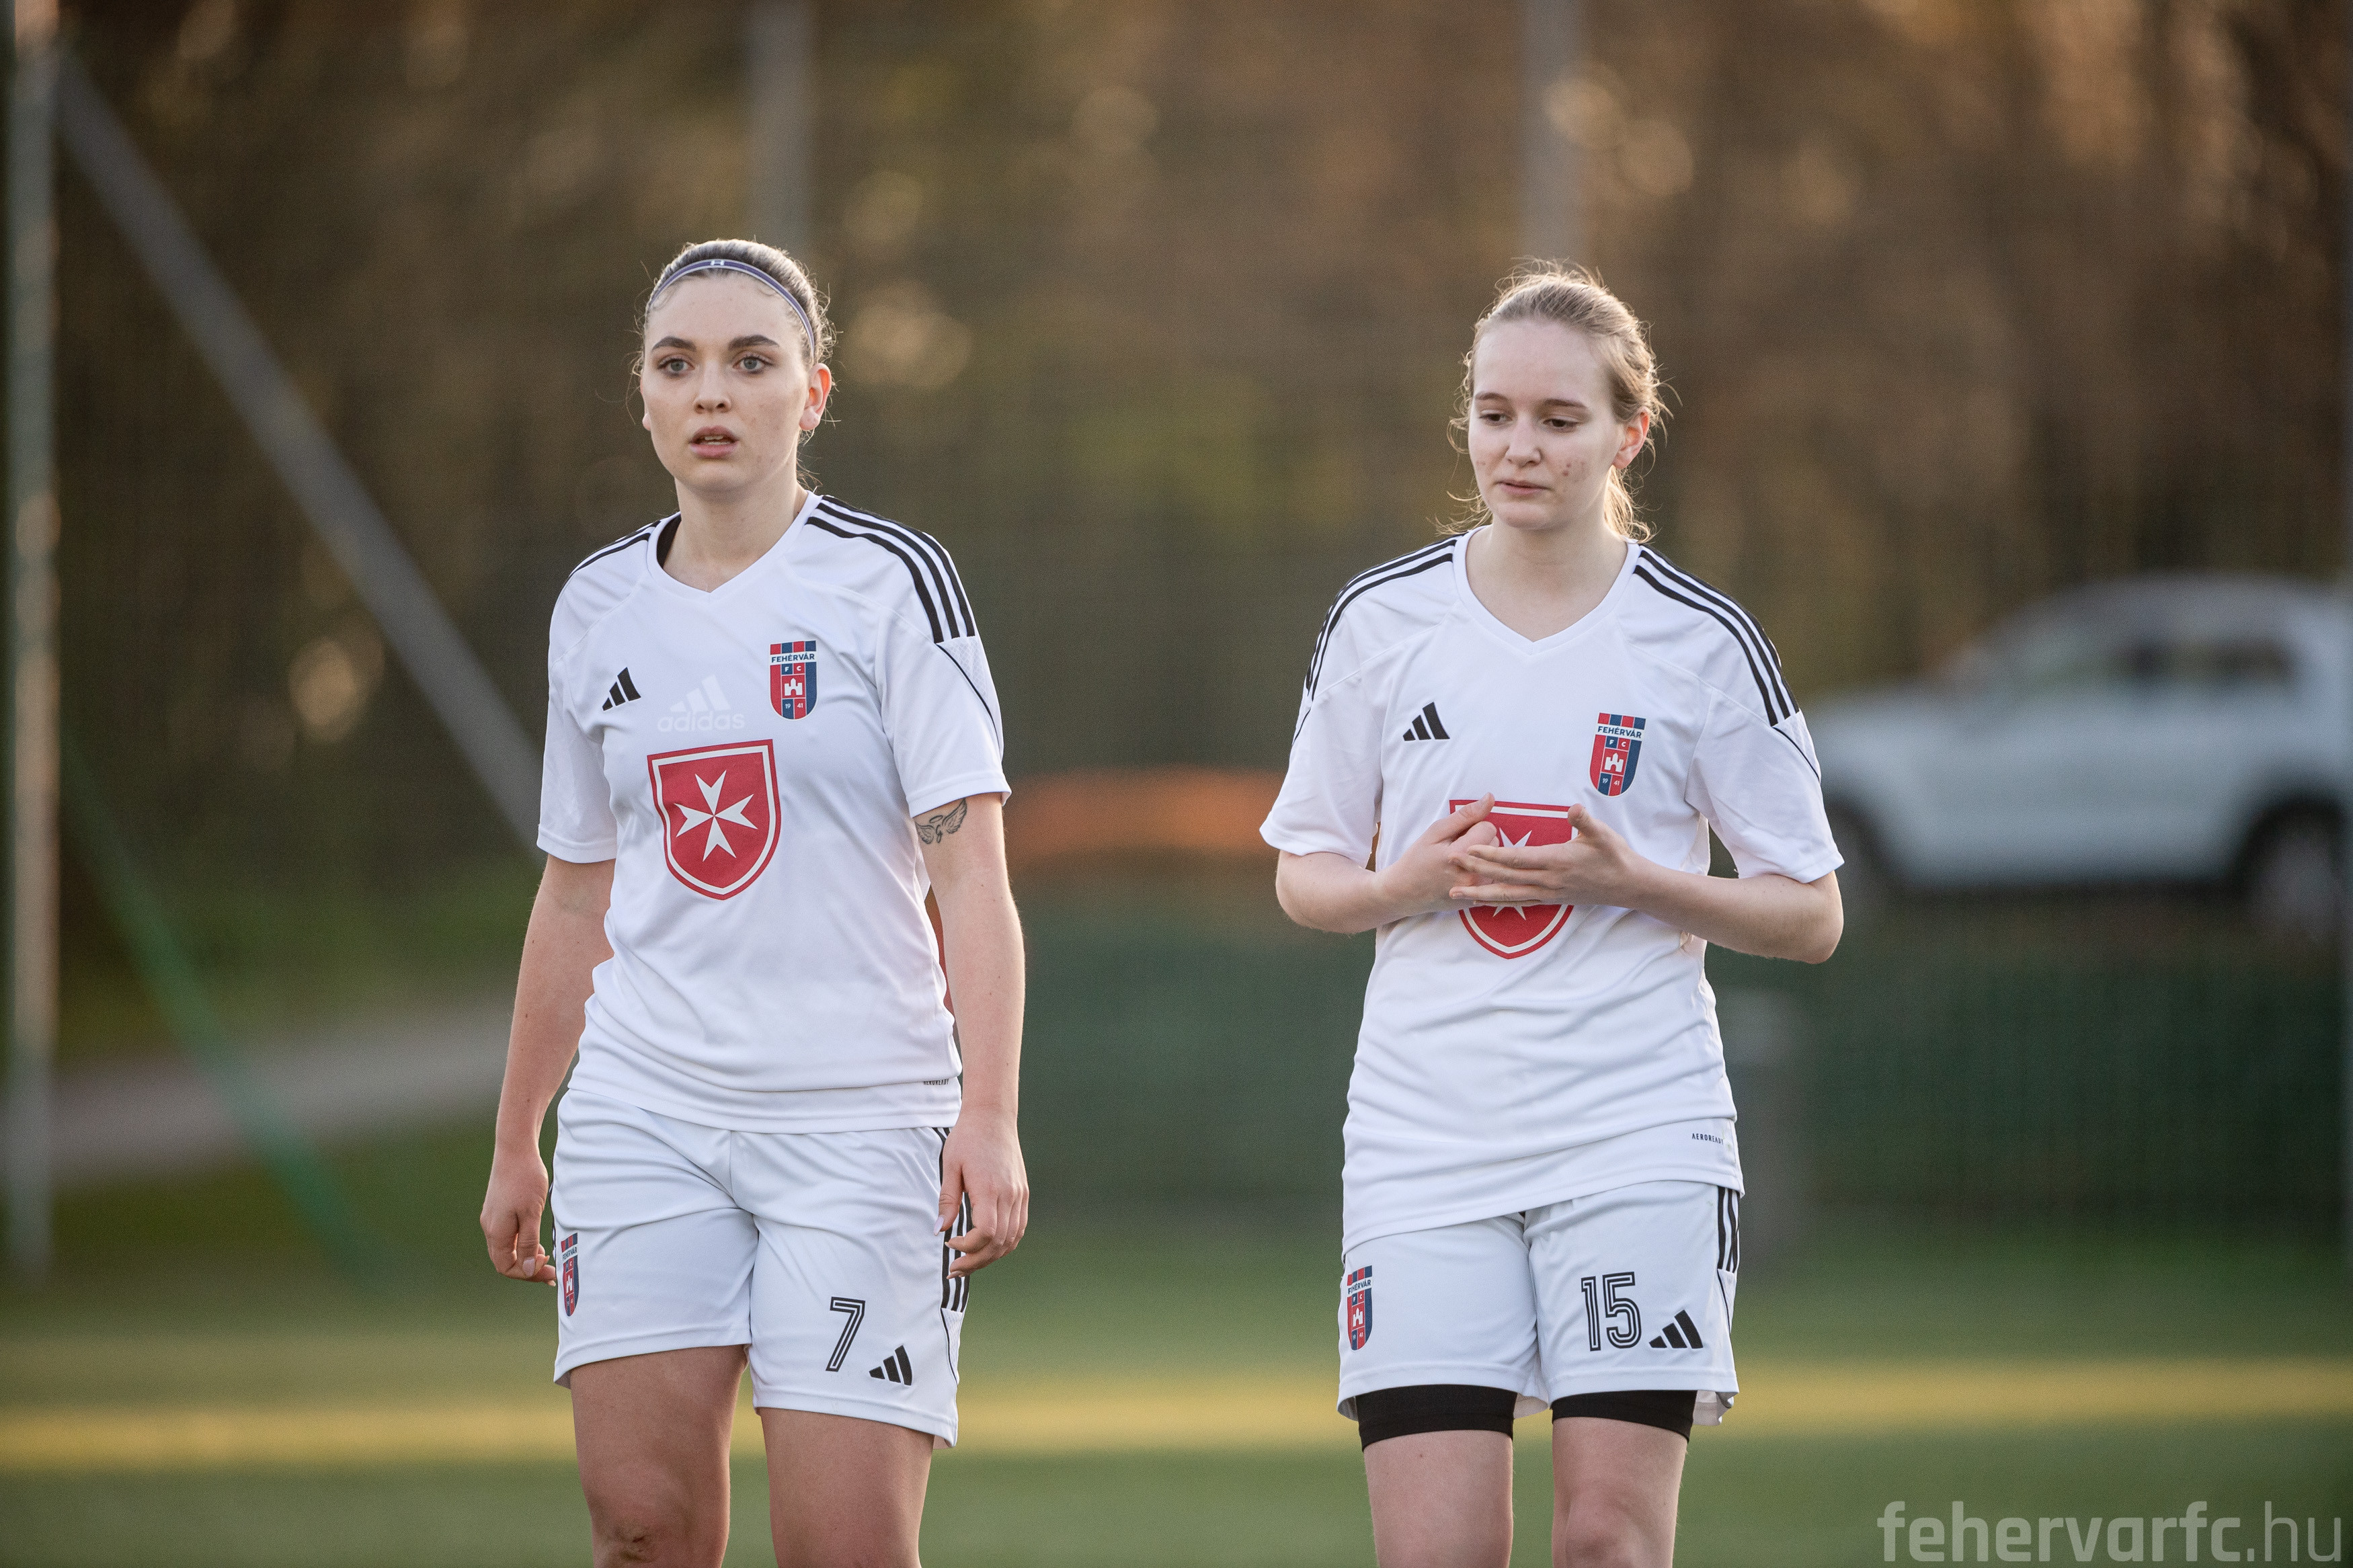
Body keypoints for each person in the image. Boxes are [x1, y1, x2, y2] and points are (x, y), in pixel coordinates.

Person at [1262, 267, 1843, 1568]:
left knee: (1605, 1542)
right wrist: (1403, 885)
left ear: (1629, 433)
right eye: (1494, 413)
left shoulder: (1700, 642)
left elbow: (1810, 915)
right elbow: (1304, 872)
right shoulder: (1380, 621)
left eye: (1559, 419)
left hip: (1632, 1132)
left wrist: (1635, 881)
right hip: (1425, 1140)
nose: (1518, 446)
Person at [479, 238, 1027, 1568]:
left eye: (750, 361)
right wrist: (517, 1134)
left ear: (813, 393)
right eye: (677, 364)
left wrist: (989, 1114)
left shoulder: (890, 583)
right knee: (640, 1528)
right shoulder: (596, 607)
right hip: (642, 1114)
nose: (711, 391)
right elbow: (574, 894)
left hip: (860, 1125)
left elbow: (973, 876)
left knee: (843, 1546)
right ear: (644, 397)